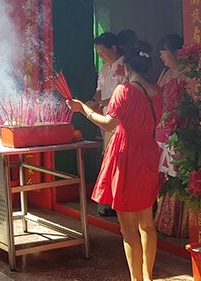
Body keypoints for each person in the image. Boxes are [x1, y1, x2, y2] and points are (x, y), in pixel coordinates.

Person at [68, 40, 163, 281]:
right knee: (147, 224)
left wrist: (84, 110)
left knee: (128, 227)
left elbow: (109, 123)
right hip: (149, 153)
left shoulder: (125, 90)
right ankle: (148, 276)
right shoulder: (156, 92)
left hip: (126, 154)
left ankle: (136, 279)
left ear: (128, 66)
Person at [87, 32, 127, 217]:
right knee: (109, 158)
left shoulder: (127, 67)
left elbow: (127, 95)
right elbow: (99, 92)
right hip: (106, 120)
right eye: (99, 54)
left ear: (114, 48)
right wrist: (90, 103)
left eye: (104, 52)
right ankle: (111, 201)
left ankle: (122, 202)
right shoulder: (104, 69)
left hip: (121, 121)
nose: (101, 56)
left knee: (120, 159)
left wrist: (101, 103)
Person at [154, 34, 190, 238]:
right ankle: (163, 218)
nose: (161, 58)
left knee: (177, 172)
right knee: (164, 174)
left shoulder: (186, 73)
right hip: (162, 127)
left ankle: (179, 223)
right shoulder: (165, 72)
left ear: (176, 52)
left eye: (164, 53)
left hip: (178, 128)